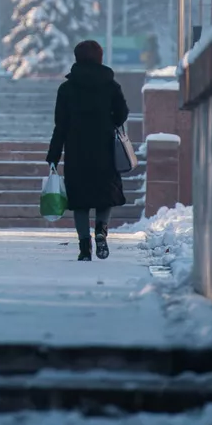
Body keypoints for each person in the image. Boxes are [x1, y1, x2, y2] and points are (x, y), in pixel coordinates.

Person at [46, 39, 131, 260]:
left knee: (80, 200)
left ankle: (85, 246)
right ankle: (101, 233)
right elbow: (122, 113)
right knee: (105, 195)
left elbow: (60, 125)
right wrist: (109, 121)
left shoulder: (66, 89)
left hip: (76, 151)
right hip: (104, 150)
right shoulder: (111, 86)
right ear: (100, 58)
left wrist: (53, 155)